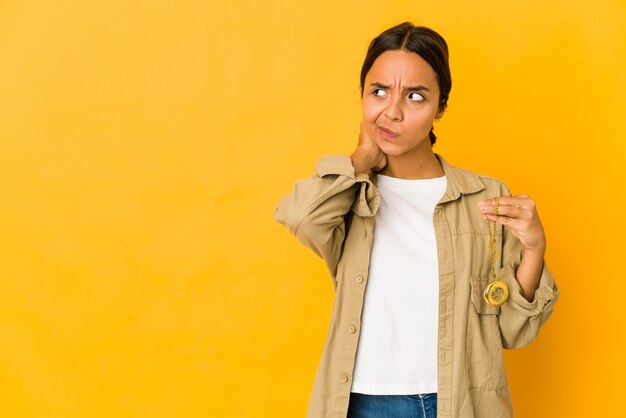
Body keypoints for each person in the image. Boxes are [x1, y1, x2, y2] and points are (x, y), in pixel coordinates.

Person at [274, 22, 559, 418]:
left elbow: (513, 330)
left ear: (440, 107)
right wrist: (359, 160)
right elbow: (300, 217)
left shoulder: (486, 198)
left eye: (415, 96)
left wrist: (534, 248)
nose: (392, 111)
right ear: (362, 96)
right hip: (361, 403)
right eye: (378, 92)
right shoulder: (349, 195)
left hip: (459, 403)